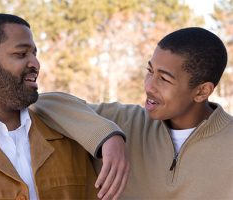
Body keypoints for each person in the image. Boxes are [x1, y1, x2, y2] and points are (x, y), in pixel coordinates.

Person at [0, 13, 128, 200]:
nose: (35, 63)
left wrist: (112, 137)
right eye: (21, 54)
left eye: (34, 53)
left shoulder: (68, 138)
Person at [34, 27, 233, 199]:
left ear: (202, 91)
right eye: (150, 71)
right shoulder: (126, 122)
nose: (149, 86)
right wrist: (109, 137)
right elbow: (43, 103)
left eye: (164, 79)